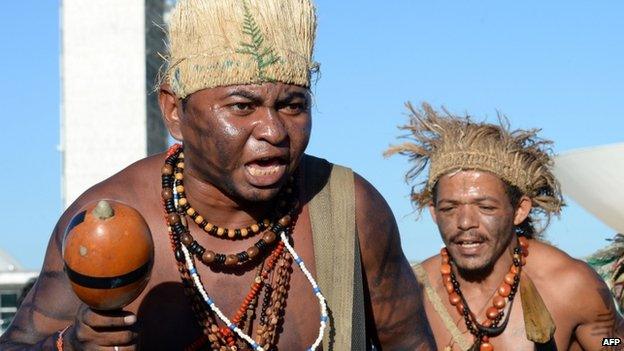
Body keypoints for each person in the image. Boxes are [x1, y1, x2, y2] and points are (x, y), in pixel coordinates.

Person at [0, 0, 435, 350]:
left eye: (293, 105)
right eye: (242, 107)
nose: (274, 130)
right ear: (175, 111)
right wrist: (69, 345)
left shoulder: (349, 210)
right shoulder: (109, 221)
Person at [386, 103, 624, 350]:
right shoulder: (412, 294)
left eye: (485, 207)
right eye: (449, 208)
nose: (465, 222)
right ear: (434, 213)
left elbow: (613, 340)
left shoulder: (567, 285)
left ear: (519, 210)